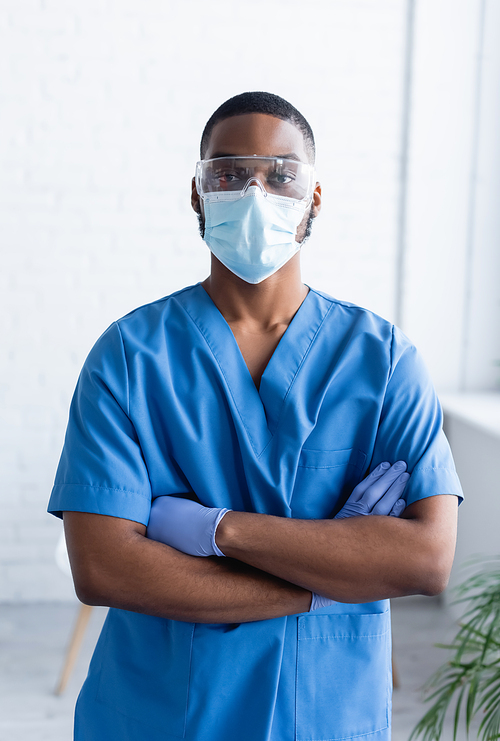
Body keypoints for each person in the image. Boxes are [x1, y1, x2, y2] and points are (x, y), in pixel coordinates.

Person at [48, 91, 463, 741]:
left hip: (327, 716)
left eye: (281, 174)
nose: (255, 191)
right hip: (164, 717)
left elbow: (426, 558)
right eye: (230, 173)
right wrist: (325, 580)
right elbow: (103, 568)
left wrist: (217, 529)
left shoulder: (381, 361)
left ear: (314, 198)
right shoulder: (130, 356)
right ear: (197, 193)